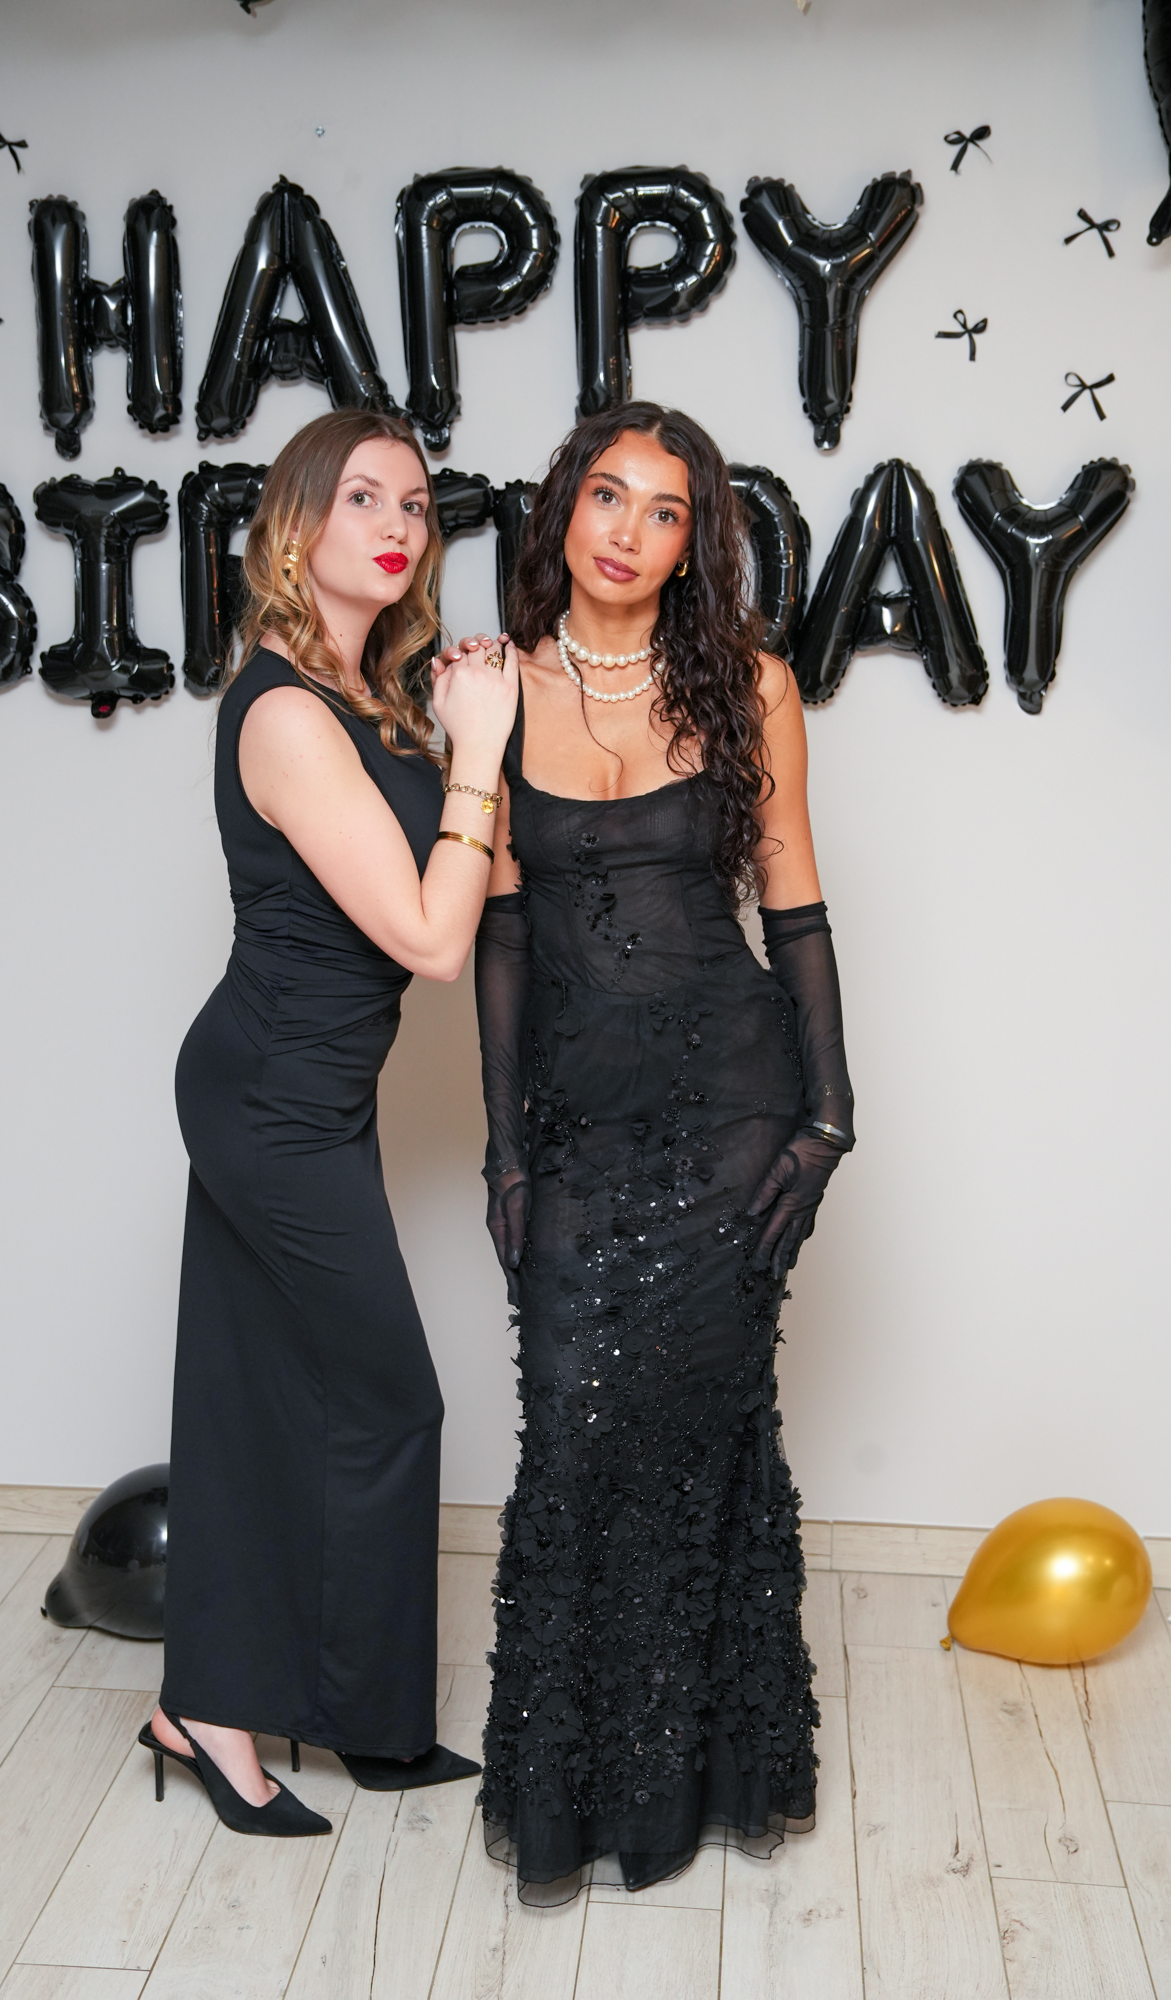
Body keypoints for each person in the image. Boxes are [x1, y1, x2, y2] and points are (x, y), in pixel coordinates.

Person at [473, 402, 854, 1899]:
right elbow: (503, 938)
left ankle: (704, 1775)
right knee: (574, 1430)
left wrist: (828, 1115)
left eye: (666, 510)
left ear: (695, 543)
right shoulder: (492, 689)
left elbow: (796, 906)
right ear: (563, 510)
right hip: (578, 1119)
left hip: (732, 1109)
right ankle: (581, 1791)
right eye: (607, 497)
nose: (627, 532)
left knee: (702, 1432)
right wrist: (506, 1153)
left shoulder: (749, 684)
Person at [142, 408, 518, 1836]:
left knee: (261, 1400)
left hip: (313, 1088)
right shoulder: (290, 714)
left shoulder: (366, 696)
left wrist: (468, 732)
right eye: (363, 497)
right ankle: (228, 1710)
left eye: (416, 504)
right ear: (296, 528)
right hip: (268, 1096)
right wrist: (479, 751)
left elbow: (472, 878)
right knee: (387, 1399)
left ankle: (325, 1715)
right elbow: (430, 936)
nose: (398, 524)